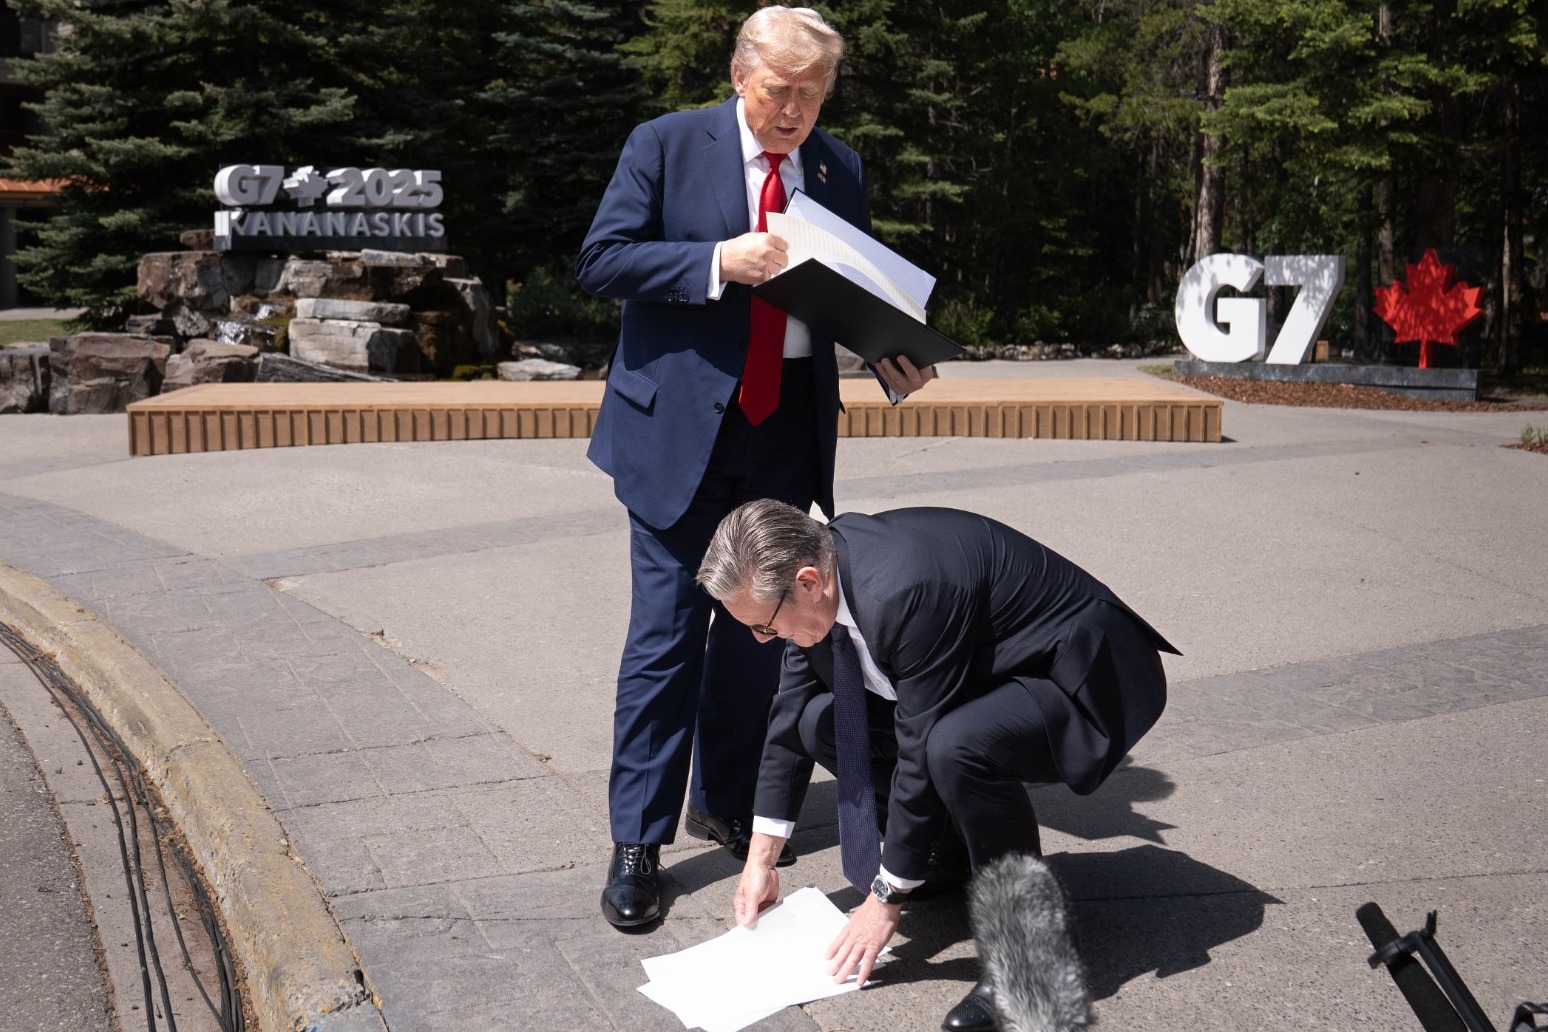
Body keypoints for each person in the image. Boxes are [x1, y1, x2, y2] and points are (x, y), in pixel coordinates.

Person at [575, 6, 937, 930]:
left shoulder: (838, 166)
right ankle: (638, 842)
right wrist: (715, 261)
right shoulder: (665, 144)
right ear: (740, 75)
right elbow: (601, 260)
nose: (794, 111)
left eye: (812, 94)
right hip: (678, 437)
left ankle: (727, 801)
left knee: (760, 633)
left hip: (785, 435)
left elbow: (850, 288)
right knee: (665, 641)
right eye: (779, 90)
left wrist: (889, 349)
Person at [697, 500, 1178, 1032]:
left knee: (956, 746)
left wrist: (885, 898)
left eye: (764, 626)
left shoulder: (904, 592)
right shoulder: (813, 585)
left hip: (1081, 677)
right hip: (986, 672)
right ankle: (943, 861)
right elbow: (788, 717)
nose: (761, 639)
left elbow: (920, 745)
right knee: (820, 723)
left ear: (808, 583)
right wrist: (760, 861)